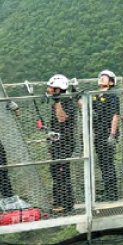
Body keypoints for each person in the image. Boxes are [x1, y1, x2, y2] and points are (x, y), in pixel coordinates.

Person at [45, 74, 77, 213]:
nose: (48, 90)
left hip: (66, 143)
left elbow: (61, 118)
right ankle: (58, 201)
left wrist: (57, 101)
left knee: (62, 172)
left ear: (58, 90)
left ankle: (66, 204)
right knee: (55, 171)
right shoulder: (56, 102)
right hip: (57, 143)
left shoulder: (67, 101)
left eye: (51, 88)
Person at [91, 70, 121, 202]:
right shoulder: (95, 96)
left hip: (107, 133)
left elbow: (116, 115)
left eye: (105, 77)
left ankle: (112, 193)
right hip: (99, 133)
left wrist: (112, 135)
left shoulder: (112, 95)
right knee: (103, 163)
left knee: (108, 163)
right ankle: (107, 190)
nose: (101, 79)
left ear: (111, 82)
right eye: (100, 77)